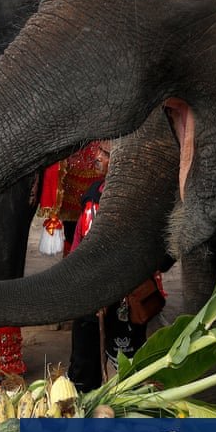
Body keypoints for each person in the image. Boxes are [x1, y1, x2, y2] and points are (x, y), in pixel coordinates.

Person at [65, 142, 161, 391]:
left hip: (124, 300)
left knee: (126, 365)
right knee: (84, 361)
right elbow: (79, 242)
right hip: (90, 294)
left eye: (105, 154)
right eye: (99, 150)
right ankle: (84, 405)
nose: (97, 157)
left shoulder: (137, 201)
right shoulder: (93, 193)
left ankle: (125, 411)